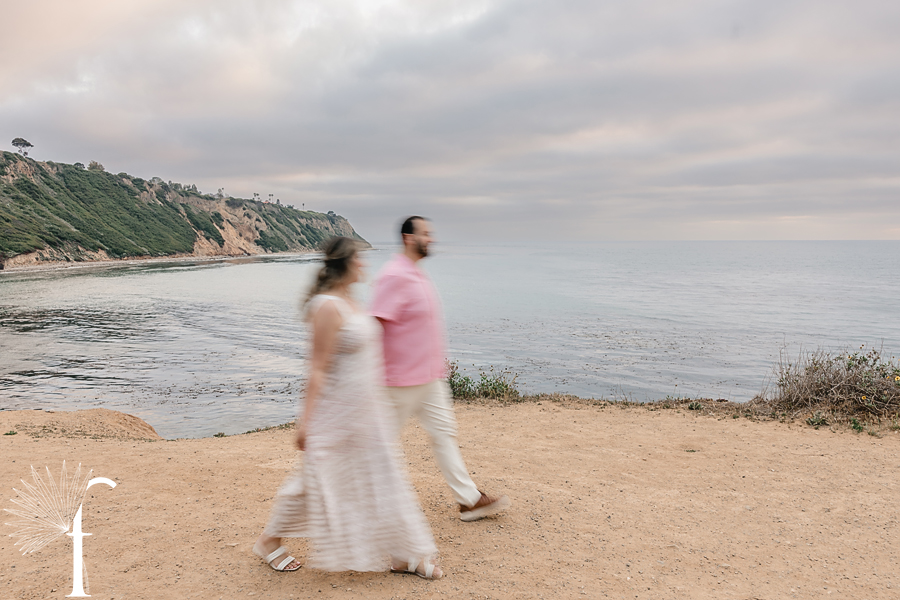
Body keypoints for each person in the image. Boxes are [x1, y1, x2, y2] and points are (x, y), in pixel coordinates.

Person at [253, 236, 442, 579]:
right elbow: (317, 368)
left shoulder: (353, 303)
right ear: (346, 263)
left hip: (367, 412)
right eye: (360, 259)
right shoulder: (327, 307)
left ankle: (402, 554)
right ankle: (268, 541)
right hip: (336, 413)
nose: (365, 264)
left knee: (379, 477)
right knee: (315, 481)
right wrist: (305, 422)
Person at [371, 216, 510, 522]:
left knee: (444, 434)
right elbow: (376, 324)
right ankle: (356, 506)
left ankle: (469, 500)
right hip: (400, 381)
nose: (431, 239)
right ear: (409, 238)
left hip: (429, 378)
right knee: (379, 445)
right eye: (425, 234)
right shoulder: (394, 275)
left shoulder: (416, 274)